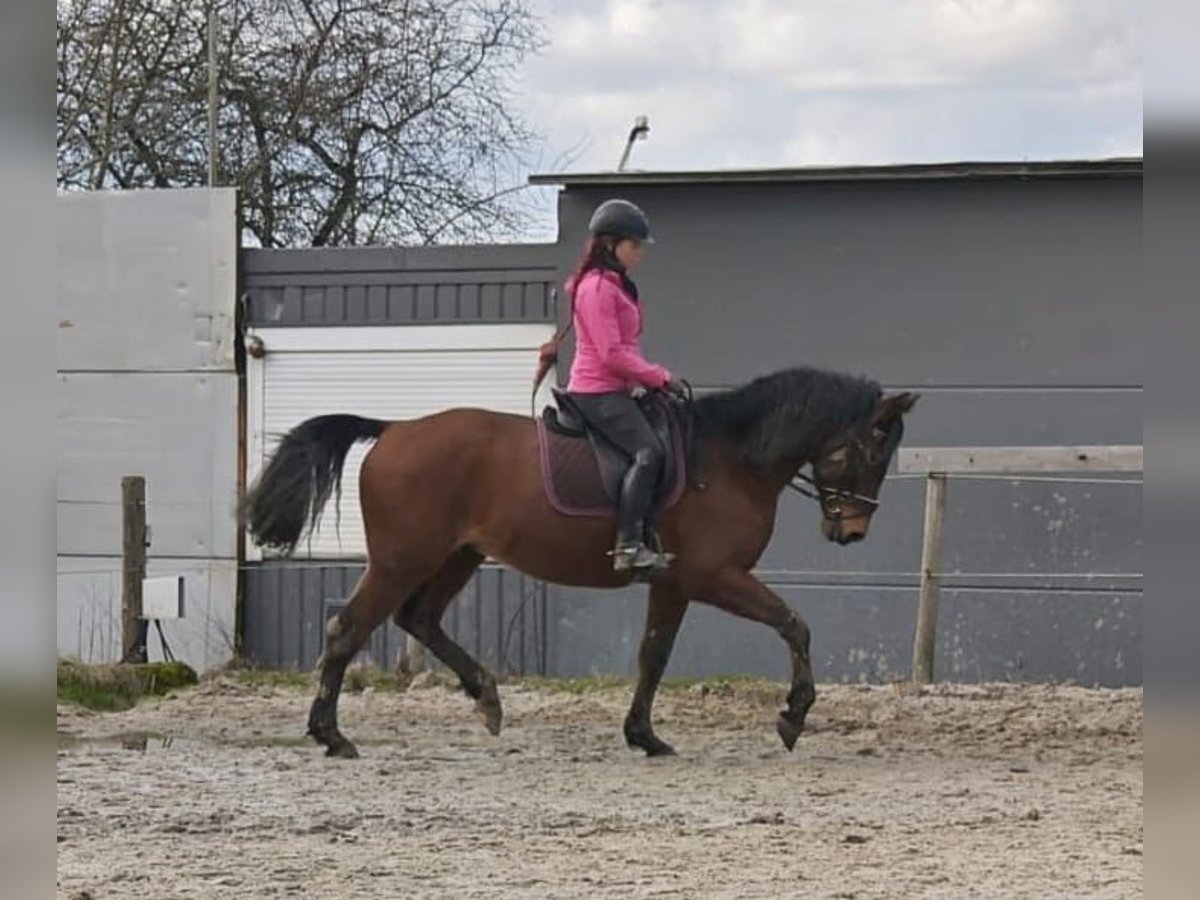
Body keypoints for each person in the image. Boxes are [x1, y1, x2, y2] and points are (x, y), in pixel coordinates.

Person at [565, 198, 685, 573]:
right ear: (610, 244)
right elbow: (611, 354)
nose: (640, 254)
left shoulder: (616, 285)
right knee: (649, 452)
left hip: (615, 389)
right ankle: (628, 546)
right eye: (634, 246)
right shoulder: (597, 288)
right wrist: (659, 376)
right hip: (595, 390)